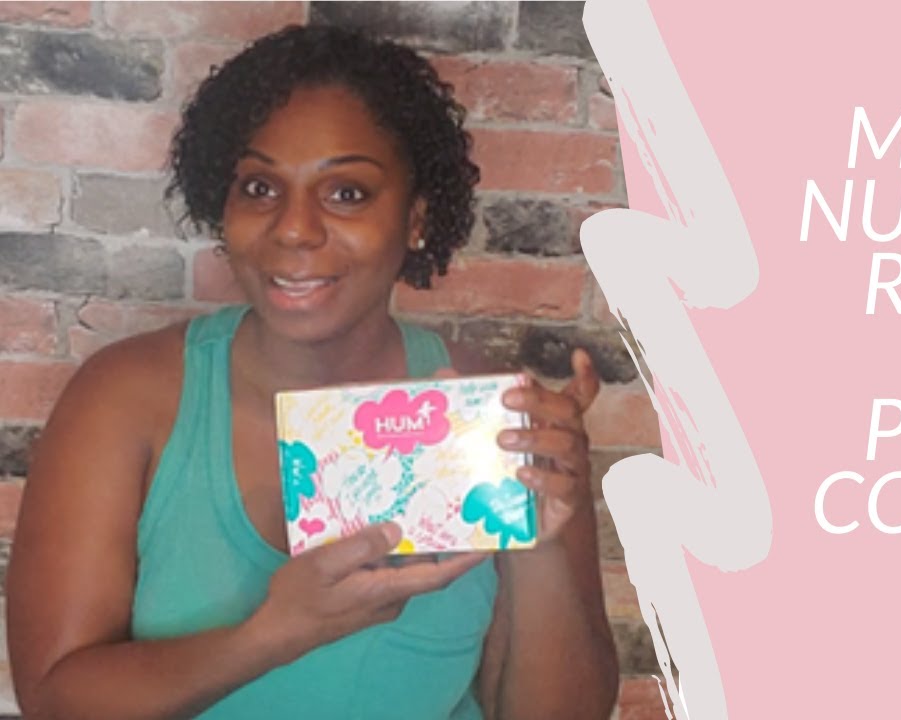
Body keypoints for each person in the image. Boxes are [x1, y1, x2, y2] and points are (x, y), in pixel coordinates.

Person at [5, 25, 618, 720]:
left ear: (415, 219)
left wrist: (541, 540)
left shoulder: (491, 418)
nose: (294, 228)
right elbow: (54, 699)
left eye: (347, 193)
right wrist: (274, 634)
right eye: (260, 187)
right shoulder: (126, 399)